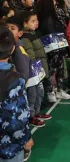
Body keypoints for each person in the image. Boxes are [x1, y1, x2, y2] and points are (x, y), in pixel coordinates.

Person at [0, 26, 34, 162]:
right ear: (13, 48)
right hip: (7, 147)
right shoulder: (14, 80)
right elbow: (15, 119)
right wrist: (26, 138)